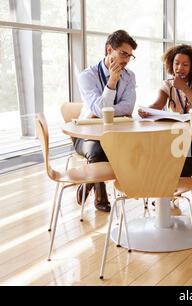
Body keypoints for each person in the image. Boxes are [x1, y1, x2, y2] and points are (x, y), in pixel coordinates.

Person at [75, 30, 138, 212]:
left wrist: (104, 112)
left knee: (114, 146)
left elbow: (128, 108)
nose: (126, 60)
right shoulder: (87, 76)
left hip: (117, 135)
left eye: (130, 56)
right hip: (86, 136)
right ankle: (100, 195)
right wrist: (112, 81)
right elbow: (102, 110)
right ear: (110, 49)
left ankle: (88, 182)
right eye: (123, 54)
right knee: (98, 149)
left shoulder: (129, 76)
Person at [138, 44, 192, 177]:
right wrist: (147, 111)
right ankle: (164, 189)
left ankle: (172, 189)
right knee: (158, 150)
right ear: (171, 64)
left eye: (185, 64)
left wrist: (184, 88)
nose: (180, 68)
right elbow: (157, 105)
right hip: (176, 134)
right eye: (176, 63)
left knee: (185, 155)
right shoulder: (167, 84)